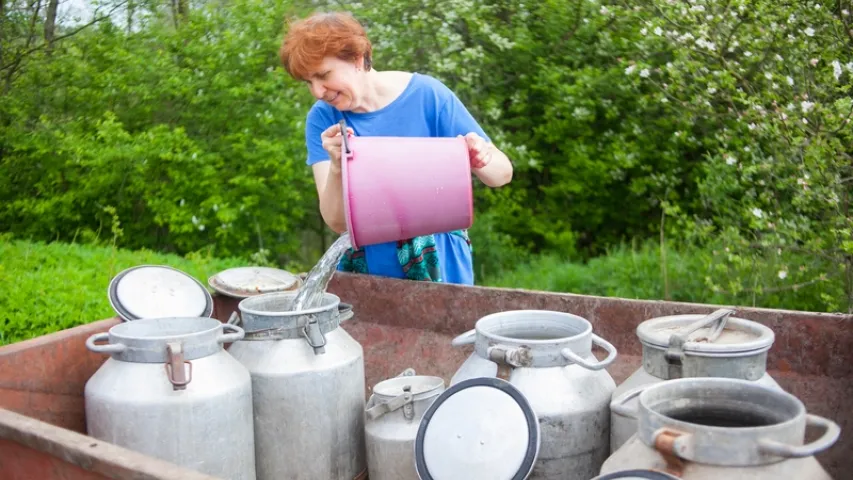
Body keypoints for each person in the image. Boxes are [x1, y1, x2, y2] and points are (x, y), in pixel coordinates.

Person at [279, 11, 513, 285]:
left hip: (440, 263)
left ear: (357, 58)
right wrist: (336, 166)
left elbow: (503, 174)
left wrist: (479, 158)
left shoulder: (428, 96)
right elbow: (337, 222)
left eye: (323, 75)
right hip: (367, 271)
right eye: (309, 82)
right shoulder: (323, 118)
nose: (317, 91)